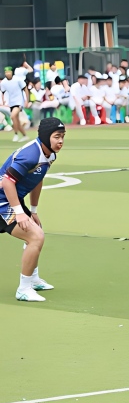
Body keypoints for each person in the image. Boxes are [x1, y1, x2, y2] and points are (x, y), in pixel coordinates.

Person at [0, 118, 65, 301]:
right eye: (56, 136)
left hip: (11, 198)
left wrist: (33, 210)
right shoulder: (30, 155)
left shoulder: (49, 155)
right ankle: (23, 289)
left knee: (36, 231)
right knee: (35, 236)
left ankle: (33, 280)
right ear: (45, 136)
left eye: (63, 136)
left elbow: (38, 178)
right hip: (2, 201)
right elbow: (7, 182)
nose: (61, 141)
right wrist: (19, 212)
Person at [1, 66, 29, 142]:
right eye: (6, 72)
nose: (7, 73)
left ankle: (16, 134)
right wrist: (3, 101)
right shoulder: (3, 82)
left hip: (19, 102)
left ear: (12, 72)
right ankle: (25, 135)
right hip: (11, 103)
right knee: (16, 121)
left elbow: (25, 89)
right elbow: (3, 92)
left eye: (9, 72)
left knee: (13, 116)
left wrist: (27, 100)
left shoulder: (18, 79)